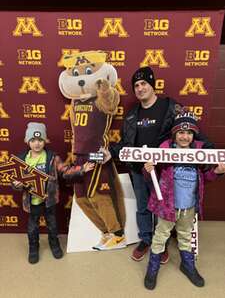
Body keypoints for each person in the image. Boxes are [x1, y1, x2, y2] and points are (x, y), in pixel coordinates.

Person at [104, 66, 214, 263]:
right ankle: (146, 240)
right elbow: (125, 144)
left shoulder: (170, 107)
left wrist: (211, 152)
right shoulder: (131, 115)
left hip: (164, 171)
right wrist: (109, 153)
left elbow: (188, 130)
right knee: (143, 207)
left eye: (144, 83)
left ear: (152, 85)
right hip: (139, 171)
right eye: (136, 85)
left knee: (163, 208)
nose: (140, 88)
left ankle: (160, 243)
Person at [143, 111, 225, 290]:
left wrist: (217, 172)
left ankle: (187, 265)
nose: (184, 136)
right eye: (180, 132)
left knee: (185, 236)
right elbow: (152, 178)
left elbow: (206, 178)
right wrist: (148, 169)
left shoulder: (199, 153)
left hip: (188, 207)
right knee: (160, 237)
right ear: (174, 134)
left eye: (189, 133)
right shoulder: (165, 150)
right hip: (167, 206)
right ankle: (153, 268)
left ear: (193, 135)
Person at [12, 122, 94, 264]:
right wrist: (16, 184)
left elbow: (65, 171)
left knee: (52, 225)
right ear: (27, 141)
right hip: (32, 202)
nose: (37, 144)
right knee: (32, 227)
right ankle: (33, 247)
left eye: (40, 140)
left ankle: (54, 244)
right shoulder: (21, 159)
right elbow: (15, 181)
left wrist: (81, 169)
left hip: (48, 200)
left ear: (45, 140)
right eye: (33, 140)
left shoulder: (52, 157)